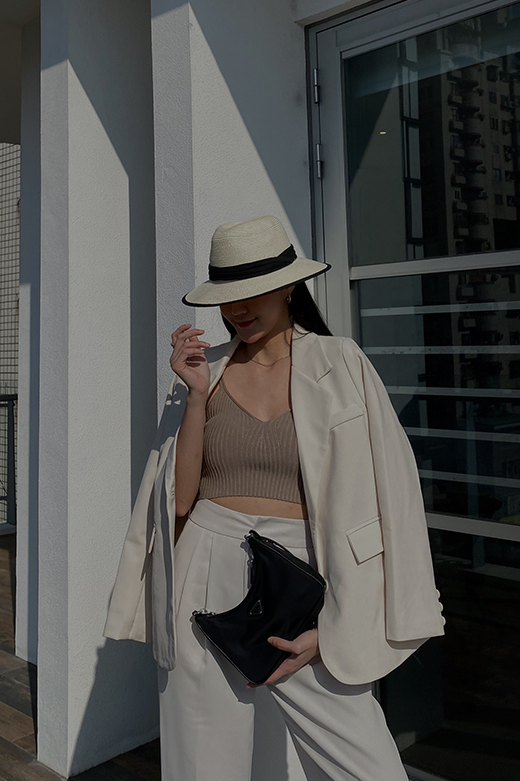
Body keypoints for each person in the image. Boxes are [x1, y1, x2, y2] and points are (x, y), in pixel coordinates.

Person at [104, 215, 445, 781]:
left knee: (367, 765)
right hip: (204, 567)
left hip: (301, 578)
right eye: (227, 296)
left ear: (289, 287)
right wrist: (194, 397)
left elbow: (394, 495)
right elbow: (180, 501)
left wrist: (338, 622)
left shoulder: (341, 362)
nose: (237, 308)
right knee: (203, 764)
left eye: (253, 291)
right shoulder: (206, 372)